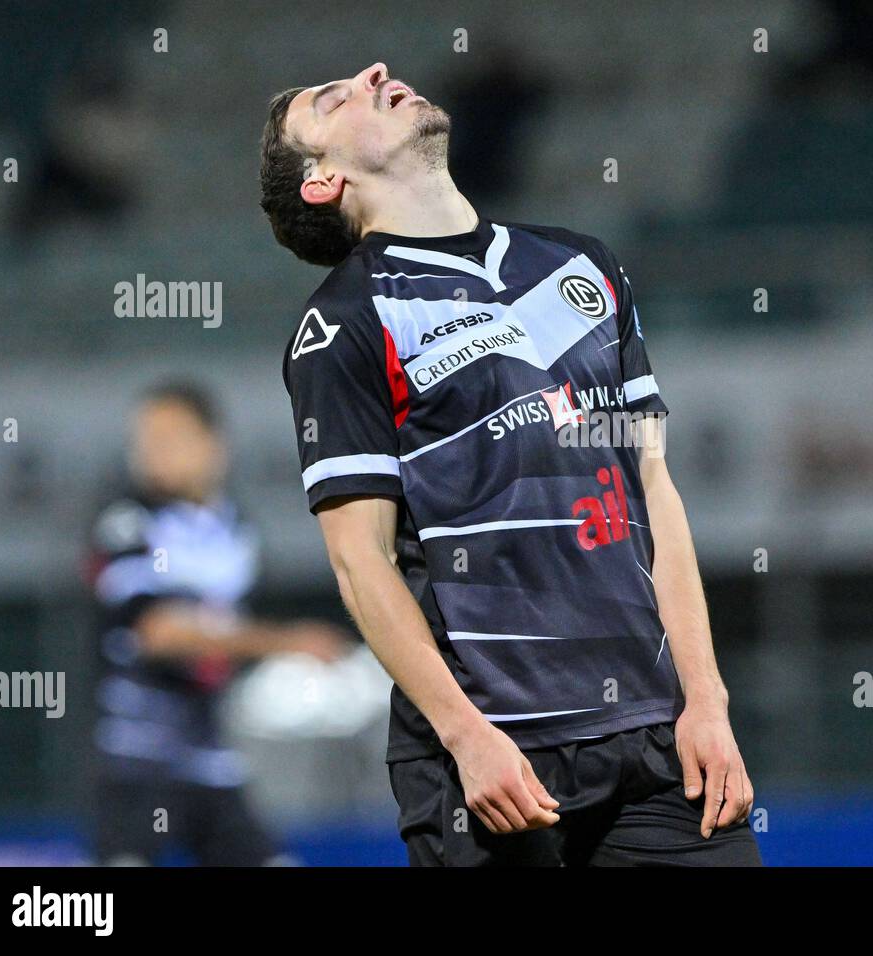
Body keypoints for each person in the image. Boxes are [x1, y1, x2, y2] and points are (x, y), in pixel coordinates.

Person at [260, 63, 760, 865]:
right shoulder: (346, 324)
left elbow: (654, 496)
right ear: (324, 182)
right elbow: (361, 563)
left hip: (659, 745)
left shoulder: (582, 264)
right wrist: (465, 739)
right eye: (332, 98)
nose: (374, 74)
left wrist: (706, 700)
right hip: (494, 765)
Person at [87, 381, 347, 865]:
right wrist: (285, 642)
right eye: (144, 441)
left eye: (168, 438)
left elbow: (224, 641)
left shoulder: (237, 529)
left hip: (209, 755)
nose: (151, 454)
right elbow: (155, 633)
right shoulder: (124, 521)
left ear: (213, 445)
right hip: (135, 758)